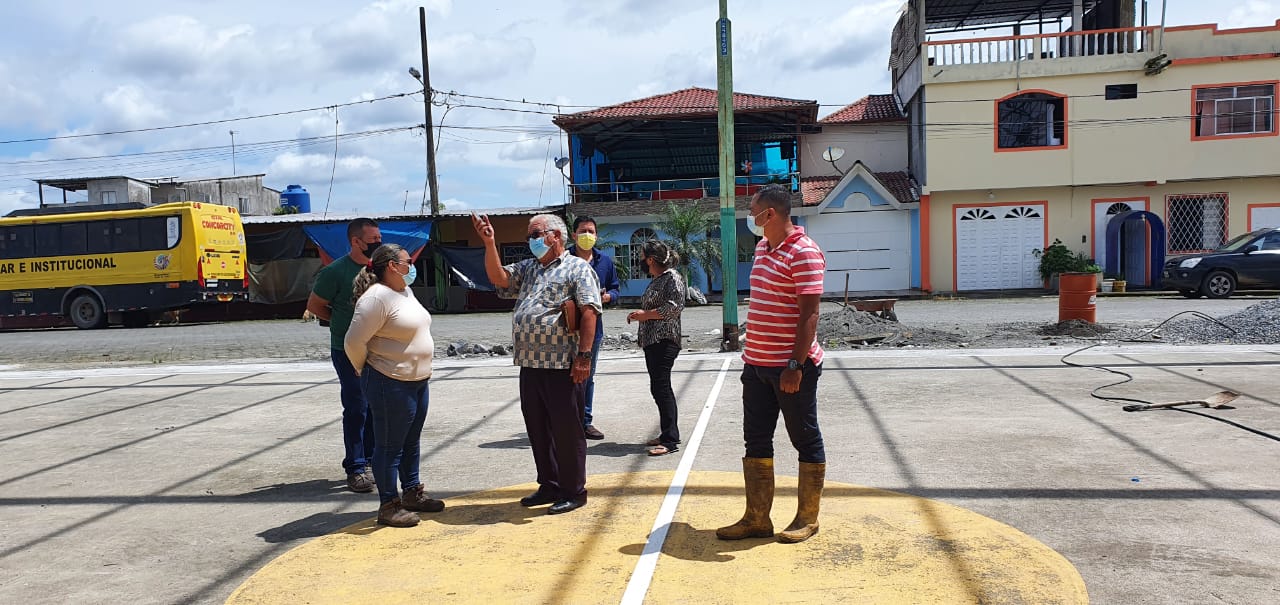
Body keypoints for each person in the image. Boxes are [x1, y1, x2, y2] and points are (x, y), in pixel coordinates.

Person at [717, 184, 827, 544]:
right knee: (756, 440)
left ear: (771, 214)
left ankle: (807, 518)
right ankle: (757, 518)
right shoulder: (763, 247)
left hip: (790, 368)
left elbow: (809, 315)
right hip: (756, 365)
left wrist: (795, 364)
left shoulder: (804, 252)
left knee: (804, 438)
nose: (751, 216)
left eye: (754, 211)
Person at [472, 212, 602, 515]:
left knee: (566, 431)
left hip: (562, 364)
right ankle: (549, 484)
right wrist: (489, 243)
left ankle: (573, 490)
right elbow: (499, 278)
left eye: (535, 234)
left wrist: (584, 357)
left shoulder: (577, 268)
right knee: (538, 429)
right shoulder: (529, 268)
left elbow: (589, 312)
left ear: (555, 236)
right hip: (530, 363)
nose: (530, 240)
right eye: (529, 235)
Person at [344, 244, 443, 527]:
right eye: (407, 261)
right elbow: (353, 341)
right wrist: (364, 367)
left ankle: (411, 492)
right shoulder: (376, 298)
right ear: (392, 266)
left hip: (417, 381)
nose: (412, 266)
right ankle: (388, 505)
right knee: (389, 445)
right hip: (390, 381)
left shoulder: (405, 292)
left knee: (410, 440)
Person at [307, 218, 381, 493]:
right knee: (356, 407)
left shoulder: (380, 270)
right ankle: (356, 467)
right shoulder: (335, 272)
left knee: (375, 407)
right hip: (347, 349)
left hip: (378, 349)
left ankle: (371, 461)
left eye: (379, 239)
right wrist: (342, 324)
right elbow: (316, 305)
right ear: (355, 241)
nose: (378, 244)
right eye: (373, 240)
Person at [626, 240, 686, 457]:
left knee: (662, 387)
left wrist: (646, 315)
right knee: (658, 387)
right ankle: (666, 432)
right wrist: (640, 315)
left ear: (650, 259)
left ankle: (670, 440)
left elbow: (674, 308)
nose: (640, 261)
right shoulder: (658, 279)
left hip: (665, 340)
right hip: (652, 340)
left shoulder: (672, 278)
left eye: (642, 256)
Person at [568, 215, 620, 441]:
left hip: (593, 330)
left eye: (591, 231)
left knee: (587, 375)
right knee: (563, 375)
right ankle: (565, 420)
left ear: (597, 236)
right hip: (565, 329)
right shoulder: (563, 259)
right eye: (582, 231)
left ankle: (585, 421)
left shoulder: (605, 262)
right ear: (573, 235)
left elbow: (616, 290)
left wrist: (607, 297)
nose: (587, 235)